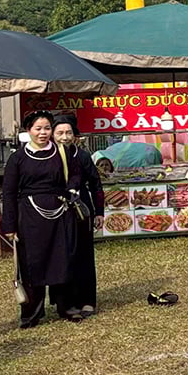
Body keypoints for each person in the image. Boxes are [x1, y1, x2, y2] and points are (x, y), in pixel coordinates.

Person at [1, 111, 82, 328]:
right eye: (38, 129)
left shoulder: (62, 152)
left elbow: (76, 174)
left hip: (59, 212)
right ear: (29, 130)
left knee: (63, 259)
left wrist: (72, 188)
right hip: (30, 216)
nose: (43, 133)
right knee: (32, 263)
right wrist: (9, 225)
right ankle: (31, 314)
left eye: (47, 128)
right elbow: (8, 193)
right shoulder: (17, 158)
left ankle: (67, 307)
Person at [52, 115, 105, 317]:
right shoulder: (48, 156)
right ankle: (65, 301)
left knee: (84, 255)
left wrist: (99, 212)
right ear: (53, 135)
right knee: (62, 255)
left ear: (75, 135)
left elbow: (96, 185)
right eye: (60, 133)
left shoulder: (82, 156)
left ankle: (87, 300)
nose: (64, 137)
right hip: (56, 211)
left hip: (81, 209)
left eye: (68, 133)